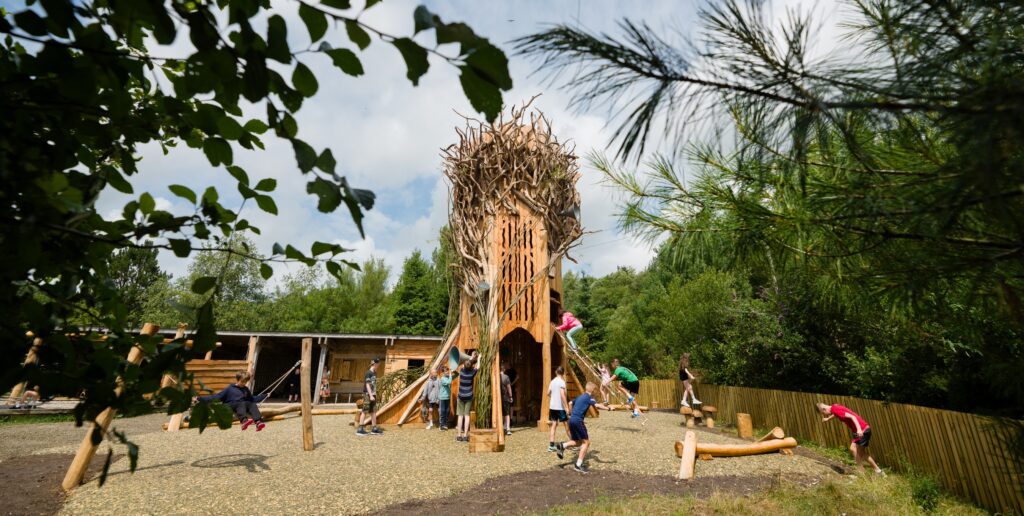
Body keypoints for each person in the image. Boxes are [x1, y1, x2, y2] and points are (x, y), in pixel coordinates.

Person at [555, 381, 611, 473]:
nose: (595, 392)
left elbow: (570, 403)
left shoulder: (580, 396)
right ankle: (578, 465)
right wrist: (608, 408)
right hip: (578, 421)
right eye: (595, 391)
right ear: (592, 390)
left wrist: (570, 412)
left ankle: (562, 445)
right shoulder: (589, 398)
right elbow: (597, 405)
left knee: (577, 442)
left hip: (572, 420)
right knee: (586, 443)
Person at [816, 402, 884, 475]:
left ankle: (863, 471)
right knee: (860, 452)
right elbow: (837, 414)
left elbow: (852, 417)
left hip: (862, 429)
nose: (825, 414)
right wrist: (828, 419)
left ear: (824, 409)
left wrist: (859, 429)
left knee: (853, 449)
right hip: (863, 429)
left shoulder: (835, 410)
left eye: (823, 413)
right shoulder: (834, 407)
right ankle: (877, 471)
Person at [195, 371, 267, 431]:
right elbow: (217, 397)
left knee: (251, 404)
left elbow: (253, 399)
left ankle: (258, 422)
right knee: (241, 403)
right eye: (242, 381)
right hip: (229, 405)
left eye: (245, 382)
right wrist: (200, 398)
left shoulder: (246, 389)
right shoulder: (230, 388)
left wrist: (265, 395)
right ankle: (244, 421)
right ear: (237, 379)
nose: (244, 383)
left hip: (240, 405)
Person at [455, 351, 480, 443]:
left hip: (461, 396)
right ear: (471, 367)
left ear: (464, 366)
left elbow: (466, 365)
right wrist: (479, 358)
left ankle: (459, 436)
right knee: (467, 416)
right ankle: (465, 435)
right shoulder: (472, 373)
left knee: (460, 416)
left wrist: (471, 357)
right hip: (469, 397)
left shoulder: (461, 371)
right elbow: (478, 367)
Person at [356, 359, 383, 436]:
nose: (378, 366)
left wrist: (374, 394)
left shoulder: (374, 373)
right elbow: (367, 385)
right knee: (365, 410)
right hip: (367, 394)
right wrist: (371, 395)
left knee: (373, 411)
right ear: (374, 364)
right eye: (378, 365)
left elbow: (373, 384)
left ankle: (374, 428)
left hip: (373, 394)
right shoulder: (368, 373)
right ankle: (360, 428)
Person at [547, 366, 569, 451]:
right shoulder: (562, 382)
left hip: (552, 407)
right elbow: (562, 395)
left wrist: (553, 397)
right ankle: (573, 442)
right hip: (560, 408)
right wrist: (566, 407)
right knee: (566, 425)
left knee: (554, 425)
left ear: (556, 372)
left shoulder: (552, 381)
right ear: (563, 373)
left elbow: (548, 393)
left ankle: (551, 445)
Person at [438, 365, 453, 430]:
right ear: (443, 373)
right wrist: (450, 375)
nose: (447, 372)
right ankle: (441, 425)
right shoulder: (442, 379)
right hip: (442, 397)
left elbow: (457, 374)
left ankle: (445, 424)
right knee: (442, 411)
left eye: (448, 370)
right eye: (446, 371)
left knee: (447, 411)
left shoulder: (448, 377)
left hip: (447, 397)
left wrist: (453, 371)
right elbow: (449, 382)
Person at [500, 363, 513, 436]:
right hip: (505, 397)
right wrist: (511, 396)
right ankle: (508, 429)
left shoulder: (496, 376)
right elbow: (509, 388)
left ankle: (501, 427)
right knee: (507, 414)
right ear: (504, 369)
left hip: (499, 398)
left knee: (501, 414)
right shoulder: (506, 377)